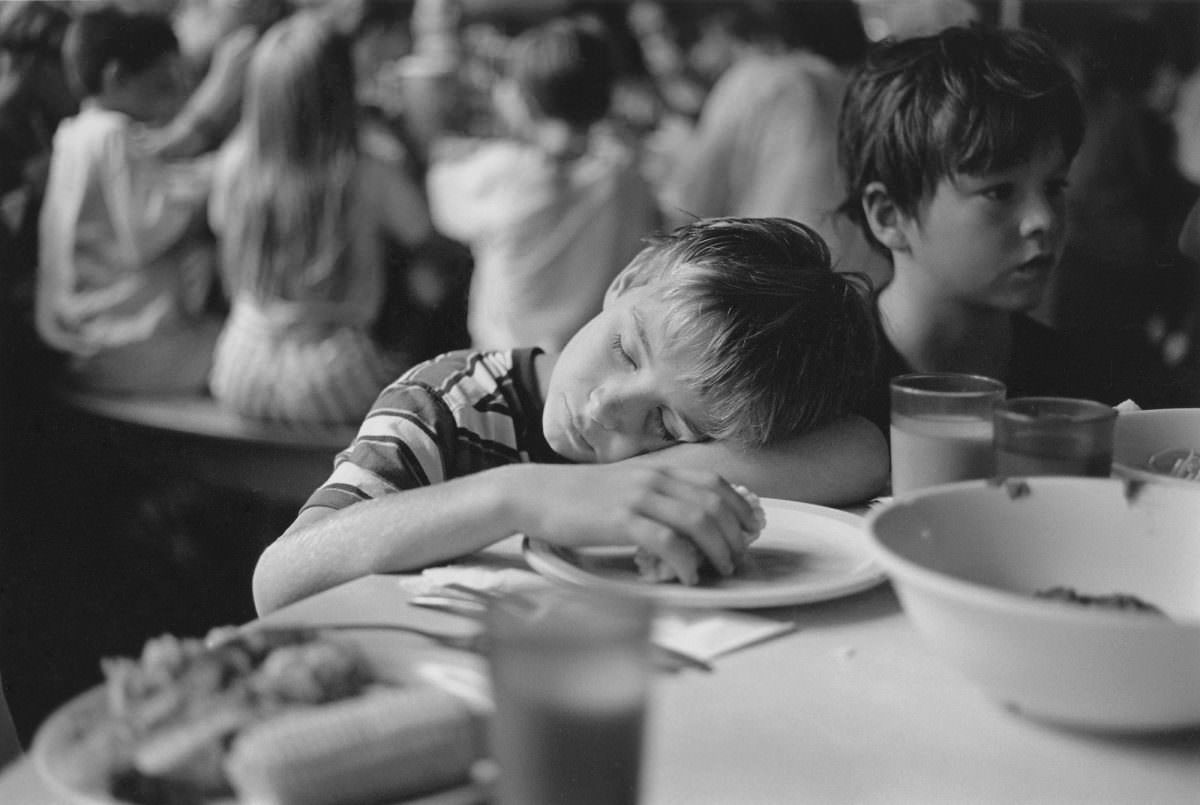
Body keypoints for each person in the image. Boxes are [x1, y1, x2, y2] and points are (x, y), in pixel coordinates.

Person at [252, 216, 888, 614]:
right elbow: (279, 579)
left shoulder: (663, 457)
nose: (610, 407)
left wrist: (634, 476)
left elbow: (861, 448)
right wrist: (520, 496)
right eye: (624, 349)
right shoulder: (444, 406)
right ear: (626, 280)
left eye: (668, 424)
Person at [837, 24, 1129, 434]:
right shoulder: (819, 380)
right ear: (889, 215)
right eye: (1000, 192)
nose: (1043, 219)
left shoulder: (1081, 387)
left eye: (1055, 186)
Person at [208, 11, 433, 425]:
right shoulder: (369, 166)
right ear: (343, 88)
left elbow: (220, 224)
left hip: (240, 367)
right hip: (334, 378)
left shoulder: (234, 163)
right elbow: (422, 235)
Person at [424, 13, 661, 354]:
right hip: (587, 360)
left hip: (504, 366)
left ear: (525, 100)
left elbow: (440, 198)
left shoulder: (501, 172)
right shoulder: (628, 176)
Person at [36, 4, 220, 394]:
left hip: (85, 339)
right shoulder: (114, 134)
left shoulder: (74, 134)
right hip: (130, 350)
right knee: (237, 348)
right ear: (117, 77)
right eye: (163, 83)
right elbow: (148, 230)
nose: (176, 96)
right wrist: (217, 176)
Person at [657, 0, 889, 287]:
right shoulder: (863, 89)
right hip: (862, 289)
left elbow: (686, 208)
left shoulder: (756, 81)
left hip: (774, 295)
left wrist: (682, 151)